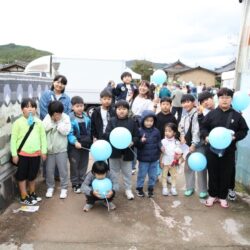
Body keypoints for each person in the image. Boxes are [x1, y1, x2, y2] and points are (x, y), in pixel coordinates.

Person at [201, 88, 249, 208]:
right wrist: (206, 136)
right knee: (212, 172)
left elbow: (244, 130)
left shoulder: (237, 116)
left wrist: (234, 137)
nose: (224, 100)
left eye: (227, 97)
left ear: (231, 99)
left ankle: (222, 197)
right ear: (218, 99)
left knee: (225, 173)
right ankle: (212, 195)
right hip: (212, 150)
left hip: (229, 151)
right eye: (222, 97)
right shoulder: (211, 114)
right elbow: (203, 128)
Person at [11, 98, 47, 205]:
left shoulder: (39, 122)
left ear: (36, 109)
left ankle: (32, 193)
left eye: (33, 107)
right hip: (22, 154)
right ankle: (23, 195)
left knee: (32, 175)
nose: (30, 109)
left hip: (36, 154)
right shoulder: (18, 123)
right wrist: (14, 154)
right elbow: (13, 139)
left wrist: (44, 151)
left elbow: (43, 138)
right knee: (22, 176)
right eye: (27, 107)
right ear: (22, 109)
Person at [104, 100, 139, 200]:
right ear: (116, 110)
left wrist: (132, 142)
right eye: (119, 109)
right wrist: (113, 136)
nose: (121, 111)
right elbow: (106, 134)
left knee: (127, 172)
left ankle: (128, 189)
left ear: (128, 110)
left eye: (124, 109)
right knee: (114, 172)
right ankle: (114, 188)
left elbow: (137, 136)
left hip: (127, 152)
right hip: (114, 152)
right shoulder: (112, 121)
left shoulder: (132, 122)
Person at [39, 75, 71, 179]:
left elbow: (66, 113)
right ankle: (48, 176)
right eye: (57, 82)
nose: (59, 84)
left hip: (60, 127)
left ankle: (57, 175)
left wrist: (59, 122)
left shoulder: (66, 98)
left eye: (62, 83)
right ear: (53, 82)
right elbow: (43, 110)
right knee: (49, 150)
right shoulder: (46, 94)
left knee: (59, 150)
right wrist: (52, 120)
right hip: (48, 125)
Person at [179, 94, 208, 199]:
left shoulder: (197, 113)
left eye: (188, 101)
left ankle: (203, 190)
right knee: (188, 167)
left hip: (198, 145)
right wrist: (182, 136)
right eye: (183, 102)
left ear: (193, 102)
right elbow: (181, 127)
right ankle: (190, 187)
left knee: (201, 167)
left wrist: (193, 144)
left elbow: (196, 130)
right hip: (187, 145)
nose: (185, 104)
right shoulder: (185, 114)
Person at [43, 101, 71, 199]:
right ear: (51, 113)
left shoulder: (65, 117)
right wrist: (52, 121)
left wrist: (58, 122)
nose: (57, 115)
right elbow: (43, 128)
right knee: (49, 170)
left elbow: (66, 131)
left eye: (59, 113)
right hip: (50, 150)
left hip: (61, 149)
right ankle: (50, 187)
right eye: (55, 113)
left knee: (63, 170)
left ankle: (64, 188)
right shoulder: (47, 117)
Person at [68, 96, 92, 194]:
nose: (80, 108)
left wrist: (91, 140)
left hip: (85, 145)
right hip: (75, 146)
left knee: (84, 164)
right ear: (72, 107)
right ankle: (75, 184)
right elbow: (69, 133)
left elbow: (90, 130)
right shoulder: (70, 118)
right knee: (74, 165)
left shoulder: (87, 117)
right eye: (77, 106)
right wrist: (74, 142)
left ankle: (82, 182)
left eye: (81, 106)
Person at [135, 110, 162, 198]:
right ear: (143, 121)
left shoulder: (156, 131)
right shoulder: (139, 131)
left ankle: (151, 189)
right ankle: (139, 188)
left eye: (151, 121)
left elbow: (158, 141)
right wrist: (141, 141)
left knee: (153, 175)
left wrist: (161, 147)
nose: (149, 123)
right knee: (142, 174)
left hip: (154, 158)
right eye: (147, 121)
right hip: (143, 159)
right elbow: (137, 145)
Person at [160, 123, 184, 196]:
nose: (167, 132)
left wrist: (179, 156)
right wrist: (160, 161)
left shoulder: (177, 142)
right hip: (165, 161)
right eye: (166, 131)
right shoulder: (162, 141)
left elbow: (180, 152)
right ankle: (164, 188)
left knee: (173, 176)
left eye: (169, 131)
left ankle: (173, 188)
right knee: (164, 175)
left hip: (173, 162)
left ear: (174, 133)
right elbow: (161, 153)